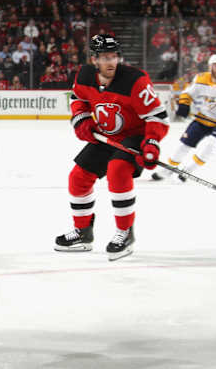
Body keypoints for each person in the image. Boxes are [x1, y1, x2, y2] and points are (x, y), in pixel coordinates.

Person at [54, 34, 169, 261]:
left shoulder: (135, 81)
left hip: (134, 137)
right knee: (78, 177)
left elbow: (158, 117)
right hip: (105, 136)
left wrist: (152, 142)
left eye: (114, 56)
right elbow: (77, 99)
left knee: (117, 170)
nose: (111, 62)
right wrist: (82, 119)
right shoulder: (85, 75)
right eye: (105, 57)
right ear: (94, 59)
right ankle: (83, 233)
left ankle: (125, 232)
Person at [151, 54, 216, 182]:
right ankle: (169, 169)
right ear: (210, 66)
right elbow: (187, 94)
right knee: (184, 144)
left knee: (211, 144)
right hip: (203, 118)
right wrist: (184, 104)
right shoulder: (201, 78)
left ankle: (188, 171)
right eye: (215, 65)